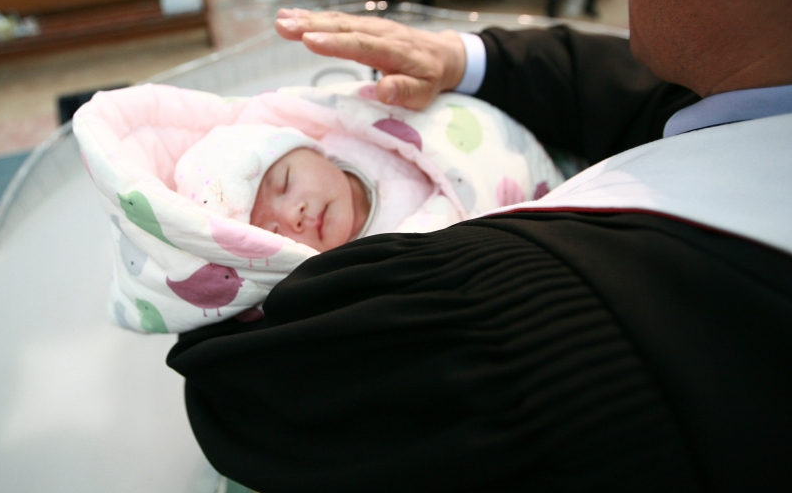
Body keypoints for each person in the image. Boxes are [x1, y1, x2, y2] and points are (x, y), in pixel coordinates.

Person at [168, 0, 792, 493]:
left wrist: (196, 250)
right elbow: (636, 93)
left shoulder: (512, 328)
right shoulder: (768, 97)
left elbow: (245, 391)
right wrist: (466, 60)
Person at [74, 80, 564, 335]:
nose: (294, 215)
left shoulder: (350, 133)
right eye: (273, 232)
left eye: (285, 183)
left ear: (312, 147)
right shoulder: (358, 270)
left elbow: (424, 123)